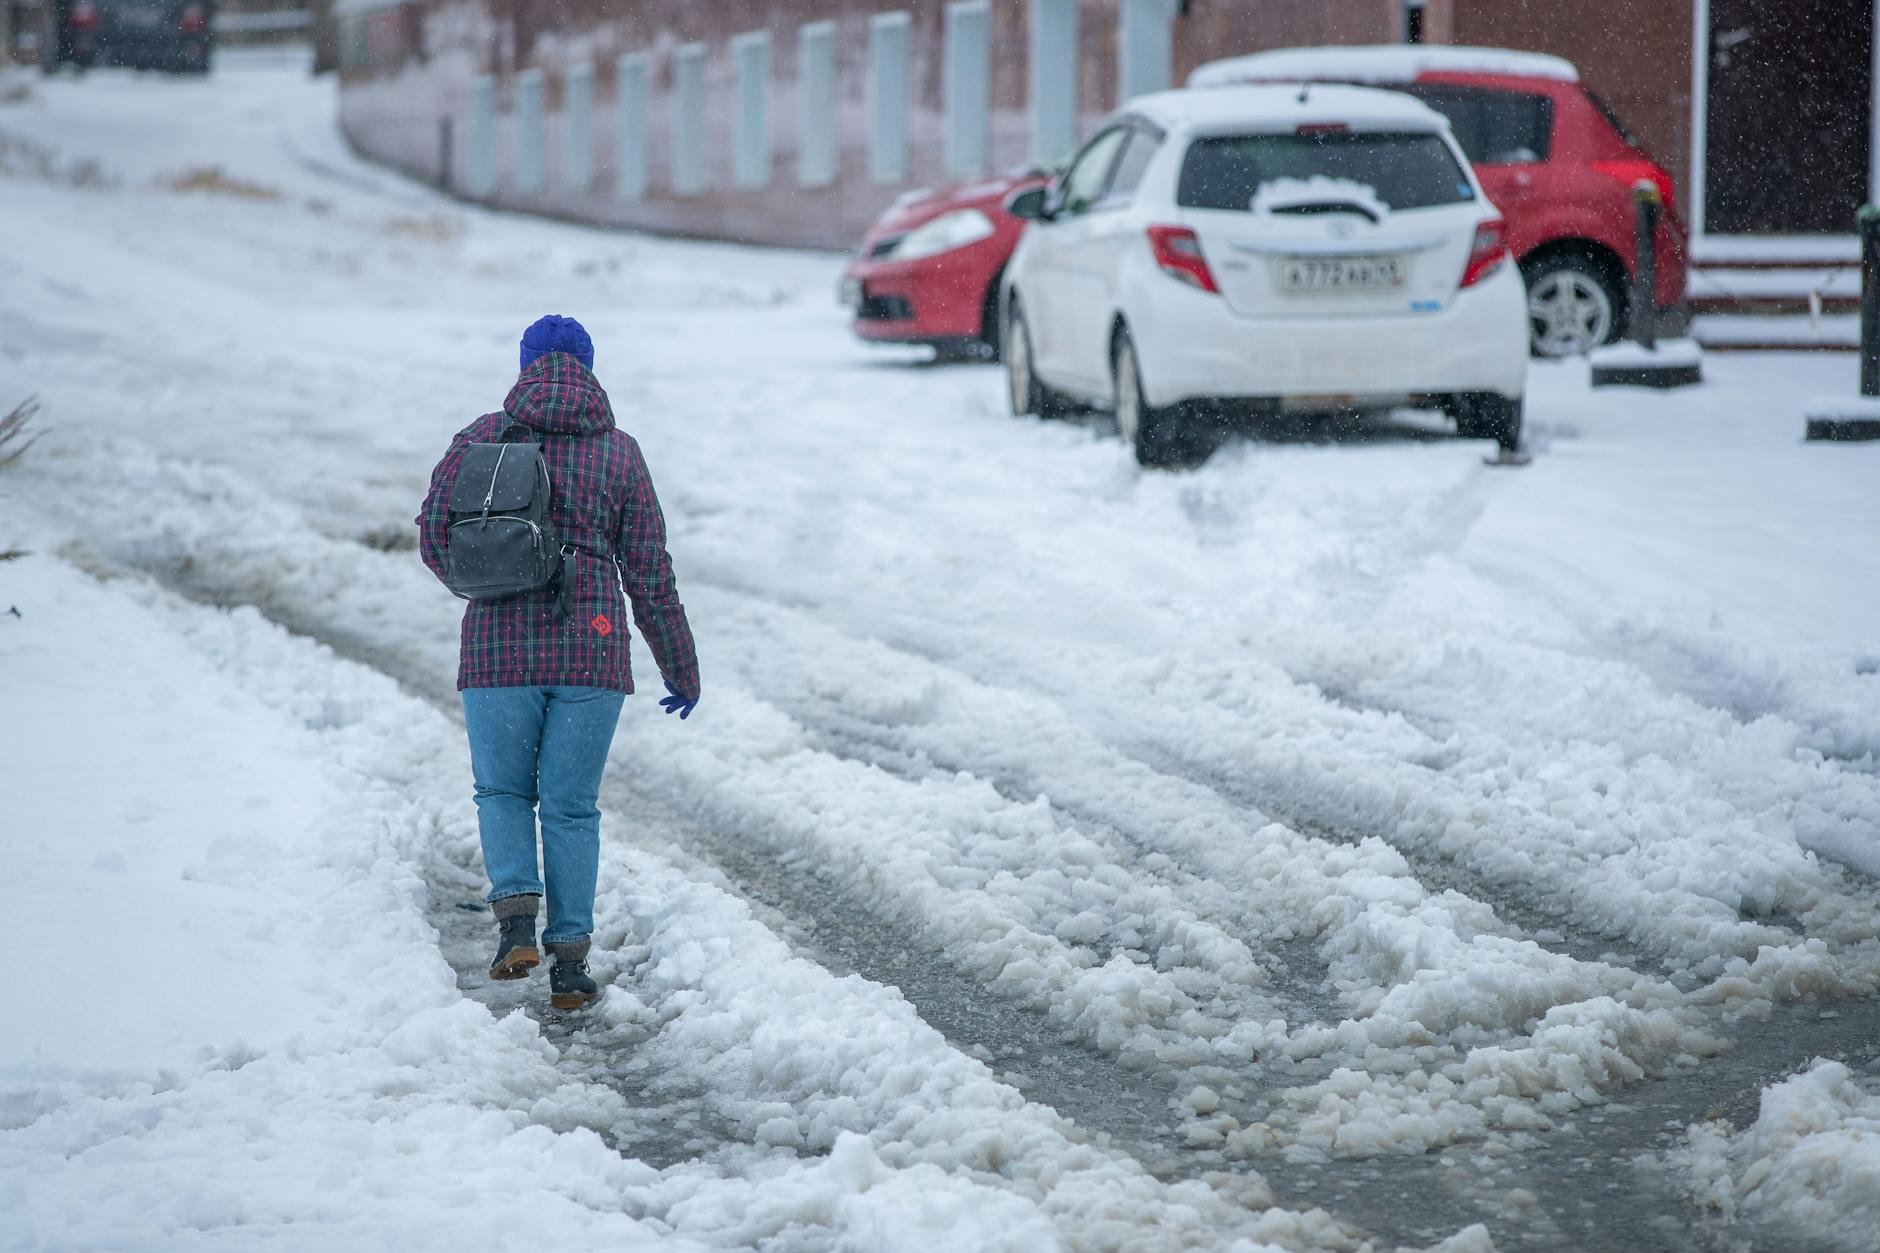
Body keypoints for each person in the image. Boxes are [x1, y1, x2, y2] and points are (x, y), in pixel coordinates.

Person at [417, 315, 700, 1010]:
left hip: (495, 650)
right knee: (571, 808)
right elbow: (649, 571)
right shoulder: (619, 451)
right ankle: (570, 966)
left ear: (524, 365)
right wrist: (679, 665)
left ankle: (516, 922)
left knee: (503, 791)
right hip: (593, 647)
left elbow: (432, 532)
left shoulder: (481, 437)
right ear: (590, 368)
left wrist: (478, 582)